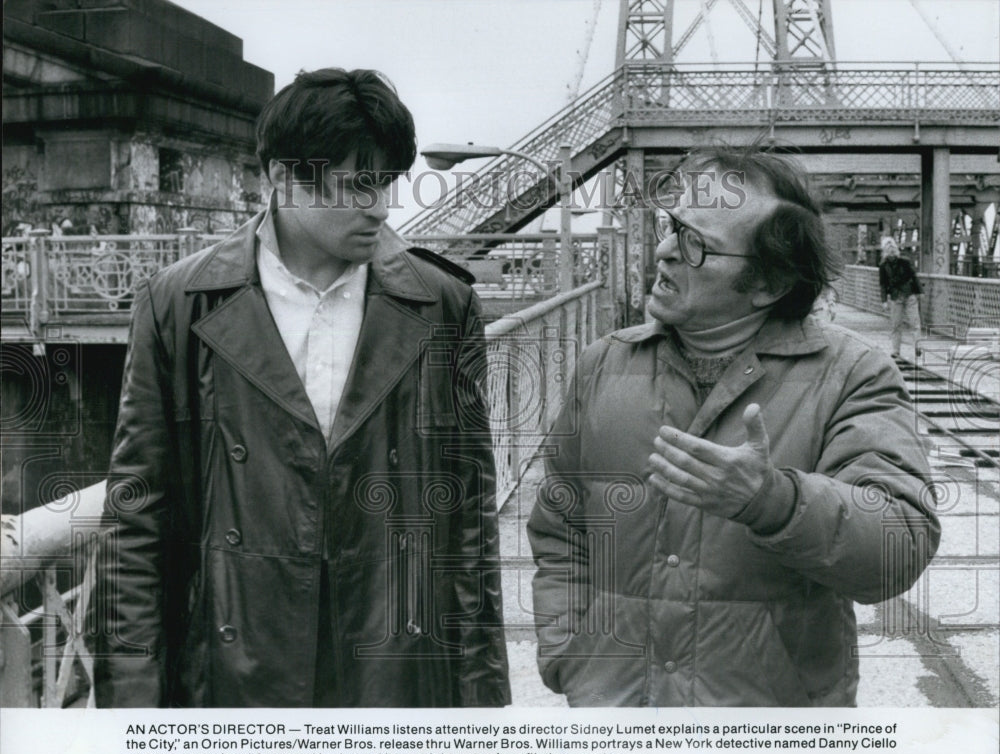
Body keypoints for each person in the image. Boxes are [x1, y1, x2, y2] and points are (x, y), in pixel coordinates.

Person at [95, 68, 510, 708]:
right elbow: (137, 517)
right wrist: (128, 707)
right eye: (358, 185)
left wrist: (481, 703)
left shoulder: (443, 306)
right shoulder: (179, 302)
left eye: (389, 183)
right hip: (235, 673)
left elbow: (469, 524)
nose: (381, 207)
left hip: (393, 670)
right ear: (285, 178)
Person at [528, 147, 940, 707]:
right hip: (615, 718)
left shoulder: (851, 376)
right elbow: (561, 525)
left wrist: (775, 501)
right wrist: (567, 650)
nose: (666, 251)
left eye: (696, 243)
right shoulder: (604, 365)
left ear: (768, 282)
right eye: (673, 227)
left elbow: (900, 544)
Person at [879, 237, 923, 360]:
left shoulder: (905, 261)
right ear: (885, 251)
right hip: (895, 296)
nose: (891, 249)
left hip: (909, 295)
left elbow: (914, 277)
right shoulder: (883, 266)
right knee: (896, 324)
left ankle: (918, 346)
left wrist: (919, 292)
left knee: (914, 322)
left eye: (893, 247)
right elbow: (883, 284)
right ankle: (895, 350)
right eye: (888, 247)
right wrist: (884, 301)